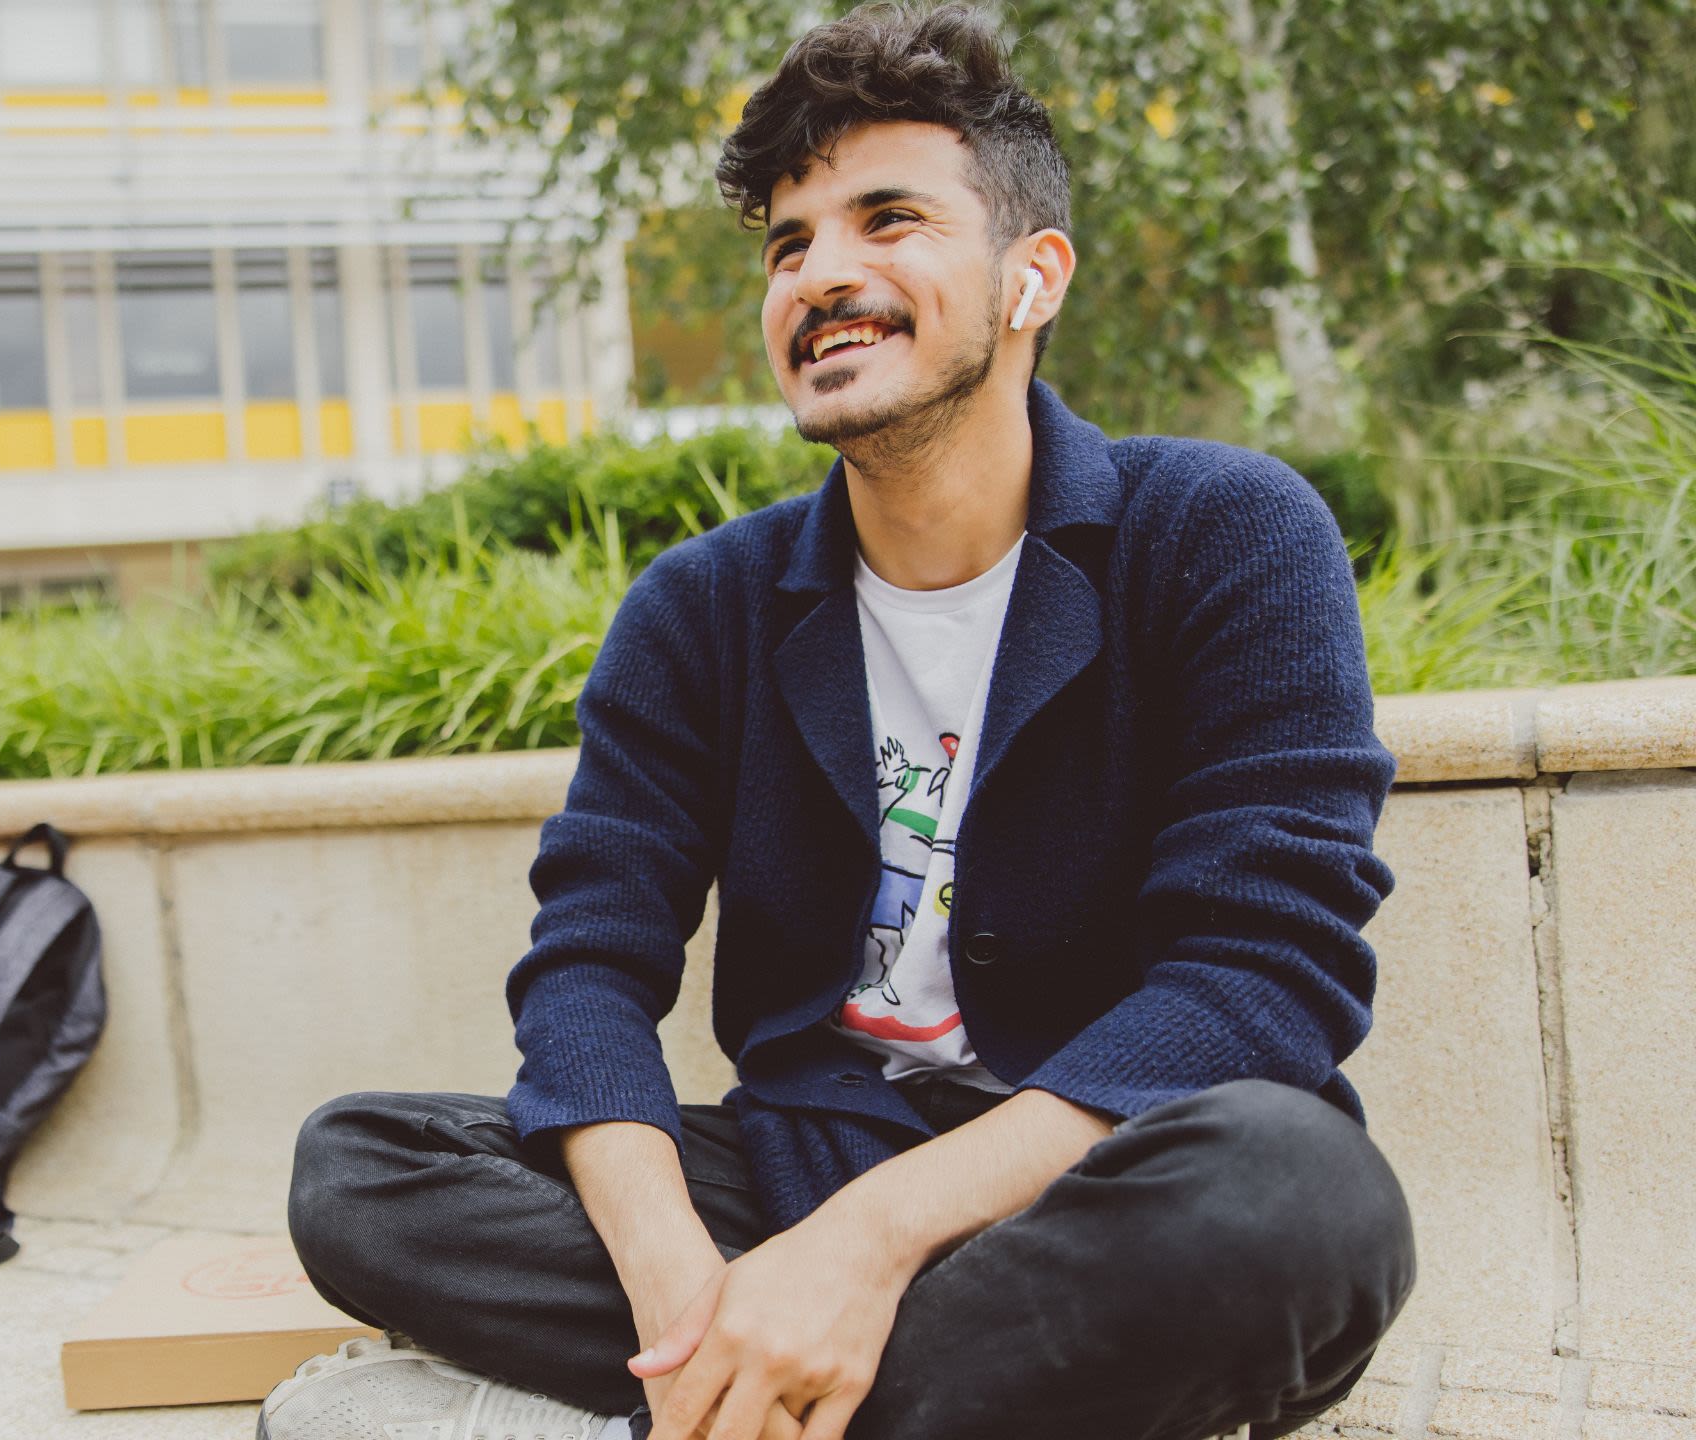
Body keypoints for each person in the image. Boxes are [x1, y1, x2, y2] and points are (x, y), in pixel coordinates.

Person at [265, 7, 1416, 1440]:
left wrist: (862, 1253)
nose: (824, 275)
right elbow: (587, 975)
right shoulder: (702, 608)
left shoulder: (1225, 534)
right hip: (795, 1163)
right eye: (790, 243)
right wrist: (685, 1274)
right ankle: (800, 1381)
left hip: (1093, 1180)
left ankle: (669, 1414)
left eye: (888, 218)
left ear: (1030, 277)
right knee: (360, 1168)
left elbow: (1266, 980)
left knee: (1299, 1200)